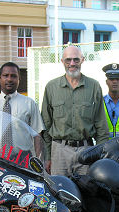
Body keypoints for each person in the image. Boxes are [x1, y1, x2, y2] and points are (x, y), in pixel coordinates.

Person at [41, 45, 108, 176]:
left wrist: (99, 156)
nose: (72, 64)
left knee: (87, 192)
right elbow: (46, 125)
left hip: (86, 151)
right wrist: (48, 156)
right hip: (59, 152)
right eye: (68, 60)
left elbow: (101, 125)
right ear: (62, 61)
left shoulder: (94, 86)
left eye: (76, 60)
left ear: (82, 60)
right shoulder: (51, 87)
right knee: (58, 192)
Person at [0, 62, 44, 134]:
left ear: (19, 78)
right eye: (5, 75)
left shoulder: (30, 104)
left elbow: (37, 134)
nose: (9, 79)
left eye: (13, 76)